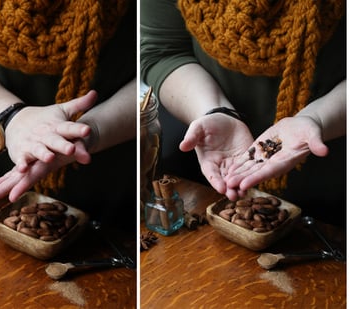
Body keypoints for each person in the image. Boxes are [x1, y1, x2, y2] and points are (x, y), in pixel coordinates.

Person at [0, 0, 137, 227]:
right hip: (0, 189)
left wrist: (94, 129)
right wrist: (11, 118)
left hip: (123, 187)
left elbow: (161, 56)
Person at [140, 0, 346, 226]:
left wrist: (317, 118)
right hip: (210, 172)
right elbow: (163, 51)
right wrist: (214, 108)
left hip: (336, 175)